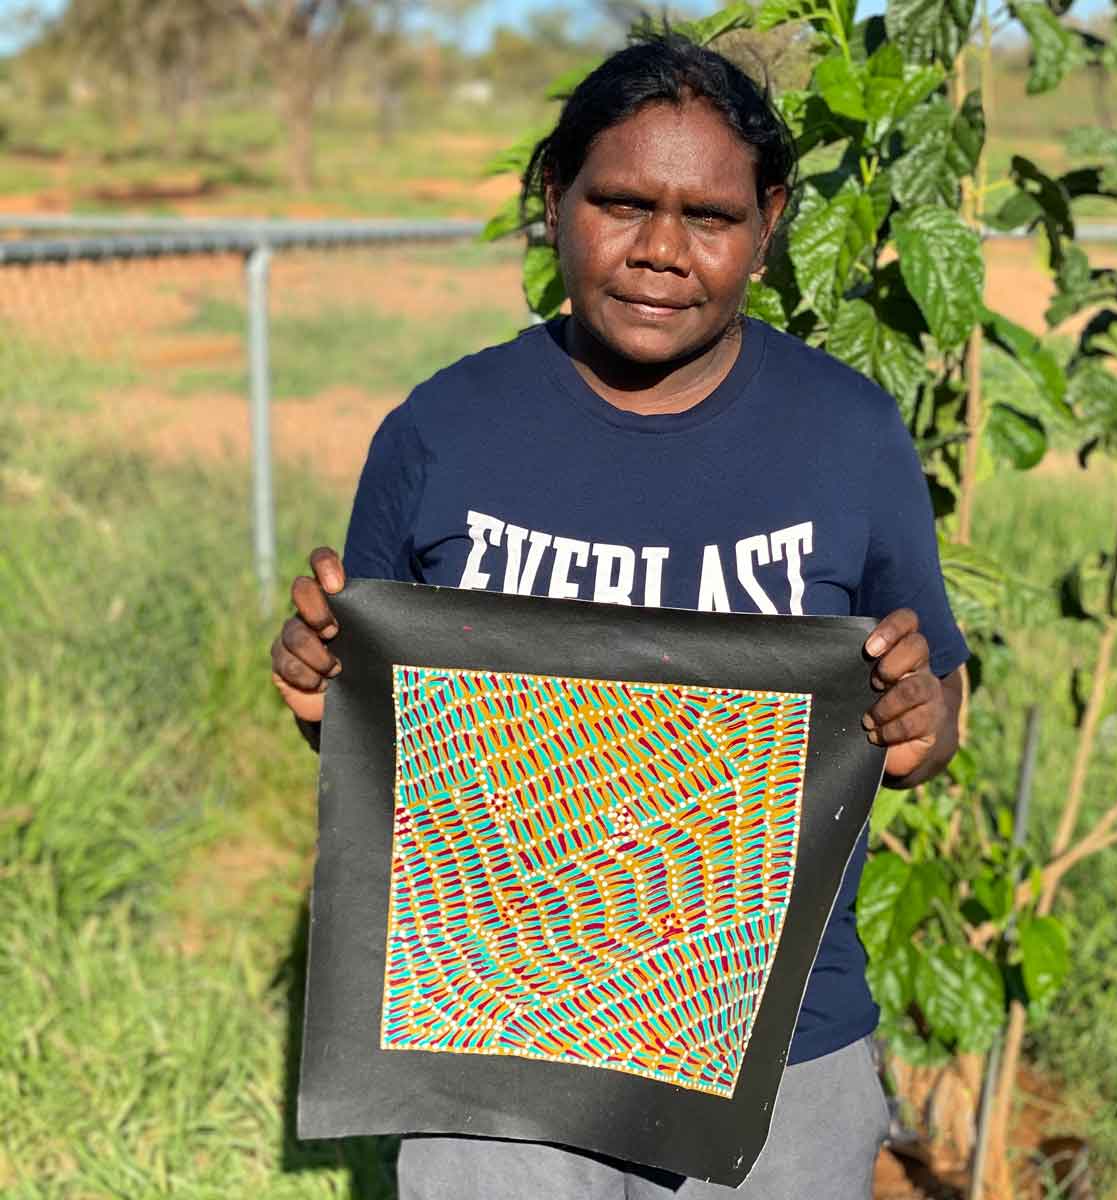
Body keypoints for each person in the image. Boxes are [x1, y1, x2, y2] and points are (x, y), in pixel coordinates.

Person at [271, 34, 967, 1200]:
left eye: (710, 216)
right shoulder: (444, 433)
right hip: (494, 1048)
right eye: (621, 202)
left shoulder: (847, 436)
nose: (660, 250)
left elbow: (933, 703)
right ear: (554, 201)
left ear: (771, 222)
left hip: (777, 1050)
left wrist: (919, 718)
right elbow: (375, 724)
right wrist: (320, 691)